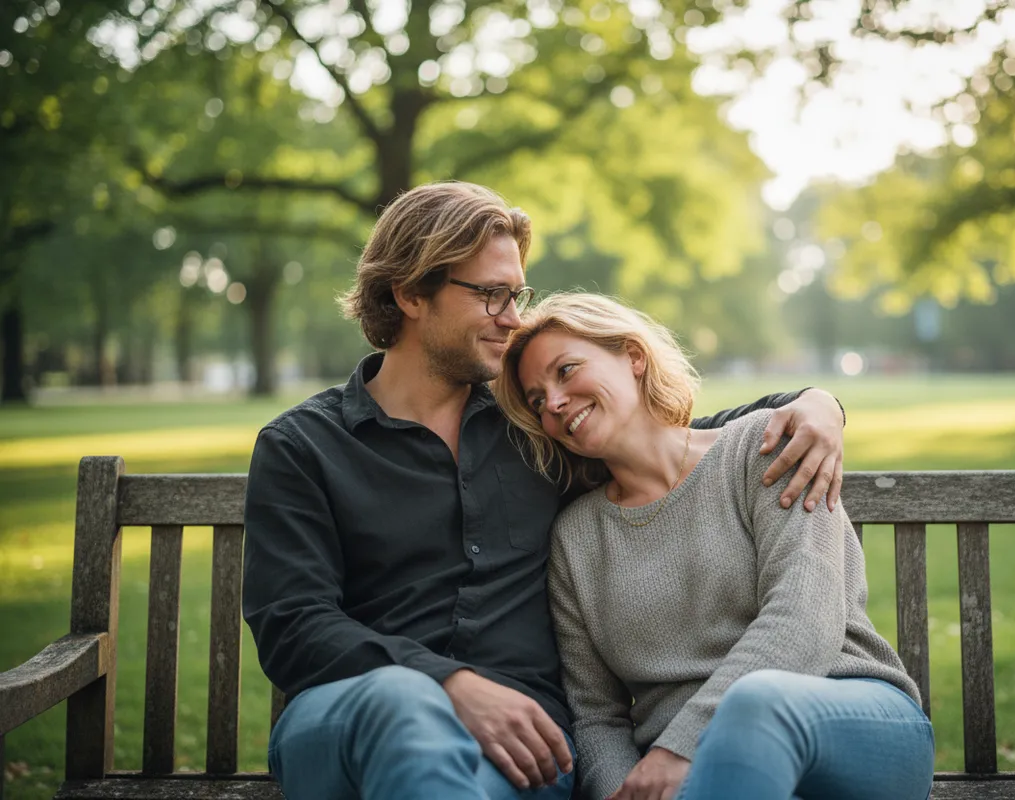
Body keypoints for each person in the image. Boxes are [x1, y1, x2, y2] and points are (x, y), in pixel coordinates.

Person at [242, 182, 849, 800]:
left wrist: (814, 404)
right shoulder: (303, 448)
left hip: (523, 747)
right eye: (491, 295)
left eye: (516, 294)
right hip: (354, 717)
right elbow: (292, 623)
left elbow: (664, 438)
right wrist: (446, 682)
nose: (512, 316)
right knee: (403, 705)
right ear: (409, 293)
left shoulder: (536, 429)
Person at [492, 292, 934, 800]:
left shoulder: (763, 447)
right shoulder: (576, 539)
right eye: (537, 400)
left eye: (566, 371)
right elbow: (596, 715)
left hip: (850, 723)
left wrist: (678, 748)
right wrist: (625, 791)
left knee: (755, 704)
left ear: (632, 357)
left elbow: (806, 614)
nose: (553, 402)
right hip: (704, 783)